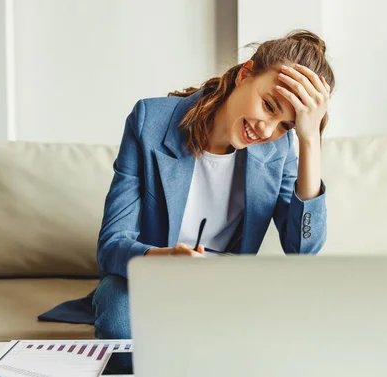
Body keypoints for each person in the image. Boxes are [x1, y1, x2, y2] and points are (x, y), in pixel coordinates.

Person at [38, 29, 335, 338]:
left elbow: (303, 249)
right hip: (148, 277)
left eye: (286, 125)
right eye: (269, 106)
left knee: (302, 328)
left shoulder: (280, 147)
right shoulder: (149, 121)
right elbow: (111, 246)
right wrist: (164, 261)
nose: (265, 129)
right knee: (121, 321)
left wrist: (309, 139)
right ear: (245, 74)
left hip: (225, 287)